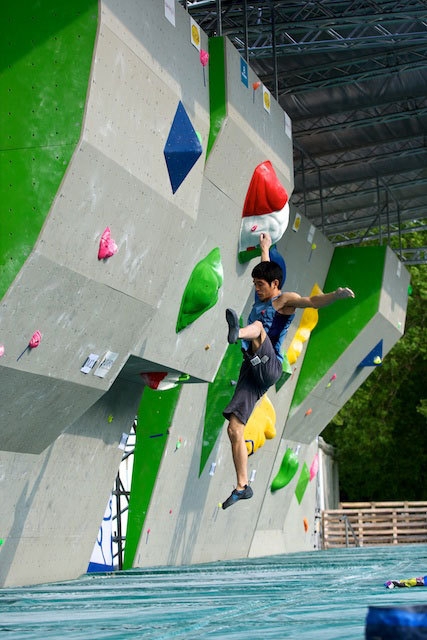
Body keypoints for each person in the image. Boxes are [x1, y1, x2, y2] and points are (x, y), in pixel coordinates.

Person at [221, 232, 355, 509]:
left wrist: (336, 296)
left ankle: (238, 333)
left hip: (271, 365)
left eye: (260, 285)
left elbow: (312, 302)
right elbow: (267, 267)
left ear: (275, 285)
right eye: (255, 284)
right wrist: (265, 247)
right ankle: (242, 485)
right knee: (234, 428)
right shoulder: (264, 289)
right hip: (252, 370)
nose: (257, 289)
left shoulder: (285, 300)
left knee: (257, 329)